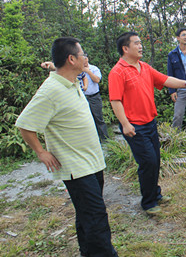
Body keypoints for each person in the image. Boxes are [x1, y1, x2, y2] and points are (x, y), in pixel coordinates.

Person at [16, 37, 118, 257]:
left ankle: (87, 252)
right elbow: (25, 124)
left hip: (91, 162)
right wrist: (41, 152)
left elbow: (58, 69)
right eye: (83, 54)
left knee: (86, 215)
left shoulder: (71, 81)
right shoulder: (51, 90)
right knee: (96, 216)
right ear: (72, 59)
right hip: (76, 167)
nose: (86, 58)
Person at [108, 32, 186, 215]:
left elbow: (165, 80)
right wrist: (125, 124)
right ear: (125, 49)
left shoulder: (144, 67)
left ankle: (155, 194)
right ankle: (148, 203)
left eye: (141, 42)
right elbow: (115, 100)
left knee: (155, 160)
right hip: (134, 126)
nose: (140, 46)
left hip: (150, 122)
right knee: (148, 162)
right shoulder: (117, 72)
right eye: (136, 43)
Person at [83, 57, 109, 143]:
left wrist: (88, 71)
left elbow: (97, 80)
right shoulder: (78, 70)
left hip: (94, 97)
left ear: (87, 59)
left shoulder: (94, 69)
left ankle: (105, 139)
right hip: (83, 97)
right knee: (87, 120)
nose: (84, 61)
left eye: (85, 59)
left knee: (99, 118)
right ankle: (92, 140)